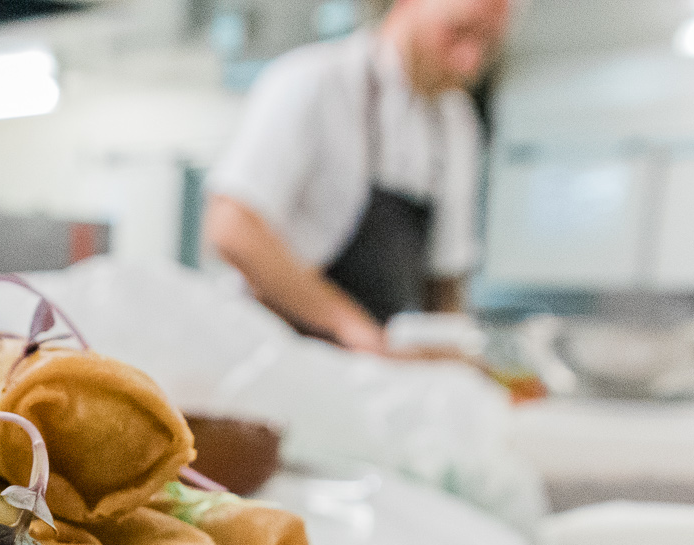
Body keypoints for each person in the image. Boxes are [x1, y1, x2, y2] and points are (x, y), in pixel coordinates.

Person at [204, 0, 513, 354]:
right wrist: (348, 324)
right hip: (273, 358)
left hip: (373, 377)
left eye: (488, 45)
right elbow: (231, 228)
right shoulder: (313, 81)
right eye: (458, 31)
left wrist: (454, 356)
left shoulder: (458, 125)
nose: (469, 62)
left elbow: (444, 286)